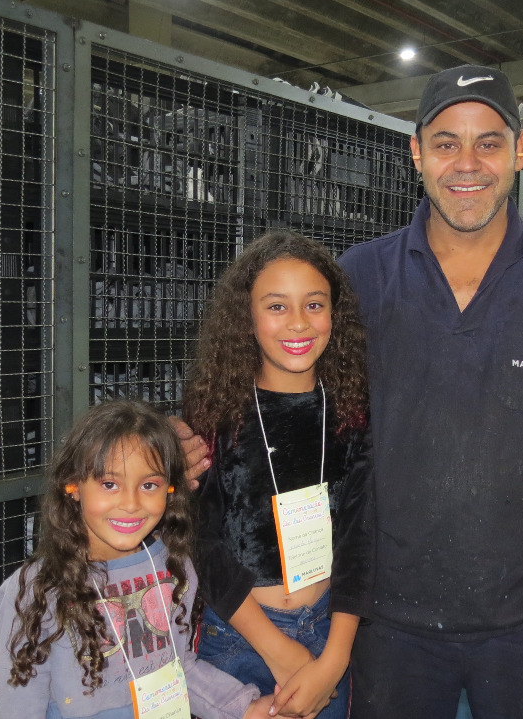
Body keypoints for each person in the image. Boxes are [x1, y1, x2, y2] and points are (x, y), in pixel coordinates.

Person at [336, 65, 523, 719]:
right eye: (446, 143)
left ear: (520, 151)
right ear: (417, 152)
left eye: (489, 142)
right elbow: (297, 399)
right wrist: (200, 433)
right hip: (388, 620)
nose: (467, 164)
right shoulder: (359, 276)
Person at [183, 230, 374, 719]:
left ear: (335, 315)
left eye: (314, 305)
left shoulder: (353, 414)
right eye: (276, 306)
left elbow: (360, 539)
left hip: (329, 634)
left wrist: (334, 659)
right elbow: (204, 541)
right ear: (246, 317)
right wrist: (278, 649)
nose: (298, 322)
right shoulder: (216, 413)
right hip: (239, 638)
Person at [0, 399, 275, 719]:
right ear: (73, 486)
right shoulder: (35, 590)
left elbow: (181, 670)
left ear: (170, 489)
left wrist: (245, 708)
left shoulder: (174, 567)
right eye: (109, 484)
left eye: (149, 485)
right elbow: (19, 703)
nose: (131, 504)